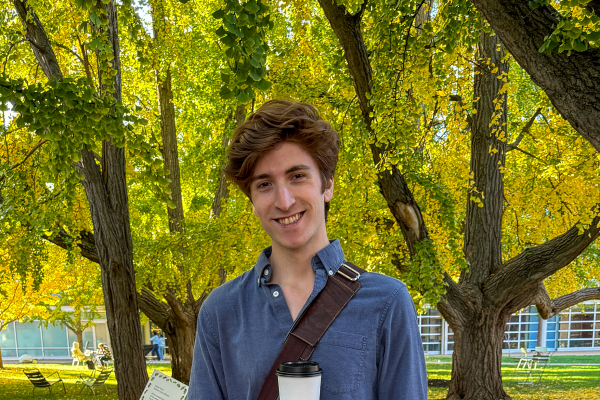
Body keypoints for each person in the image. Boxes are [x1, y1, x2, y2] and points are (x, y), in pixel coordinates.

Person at [188, 100, 427, 399]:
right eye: (264, 184)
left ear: (327, 186)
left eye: (297, 176)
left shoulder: (388, 302)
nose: (284, 201)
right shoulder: (220, 312)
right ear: (252, 201)